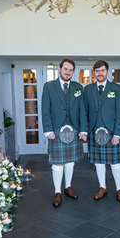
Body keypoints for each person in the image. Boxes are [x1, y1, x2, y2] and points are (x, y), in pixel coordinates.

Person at [42, 58, 87, 207]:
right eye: (65, 69)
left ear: (73, 72)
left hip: (74, 129)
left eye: (71, 70)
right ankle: (57, 192)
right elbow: (45, 110)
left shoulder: (78, 87)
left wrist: (83, 130)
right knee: (57, 164)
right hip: (55, 129)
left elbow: (82, 110)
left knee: (70, 162)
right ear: (59, 69)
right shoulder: (49, 86)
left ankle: (67, 187)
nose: (68, 72)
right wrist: (48, 130)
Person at [83, 60, 120, 202]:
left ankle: (119, 189)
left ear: (108, 71)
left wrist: (117, 134)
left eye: (102, 71)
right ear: (94, 72)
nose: (100, 73)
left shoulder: (115, 88)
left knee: (116, 163)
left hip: (112, 131)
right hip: (94, 131)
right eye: (97, 71)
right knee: (99, 163)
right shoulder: (88, 89)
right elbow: (85, 111)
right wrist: (85, 130)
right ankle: (102, 187)